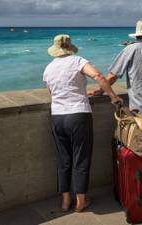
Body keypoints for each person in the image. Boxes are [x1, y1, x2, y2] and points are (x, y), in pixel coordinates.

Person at [43, 34, 123, 213]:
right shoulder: (78, 61)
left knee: (63, 160)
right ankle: (80, 201)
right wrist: (113, 97)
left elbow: (52, 92)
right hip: (78, 115)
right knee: (81, 158)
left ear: (55, 50)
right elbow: (98, 75)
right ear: (70, 47)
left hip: (57, 116)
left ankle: (65, 201)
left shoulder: (48, 68)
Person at [89, 20, 142, 181]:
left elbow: (113, 75)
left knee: (141, 152)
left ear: (137, 35)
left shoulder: (130, 50)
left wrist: (100, 90)